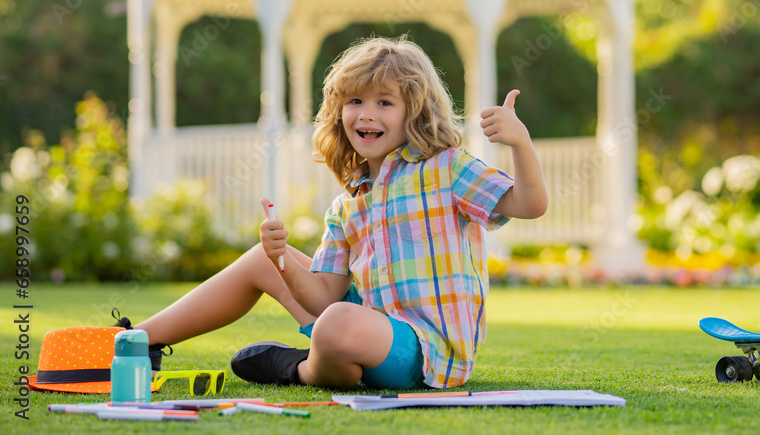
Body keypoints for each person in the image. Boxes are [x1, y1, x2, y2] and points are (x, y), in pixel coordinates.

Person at [133, 36, 548, 390]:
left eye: (385, 102)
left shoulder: (448, 168)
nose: (366, 114)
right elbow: (321, 297)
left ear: (414, 112)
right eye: (355, 101)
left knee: (336, 324)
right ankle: (134, 342)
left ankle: (301, 369)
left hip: (426, 350)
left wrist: (521, 144)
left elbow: (529, 205)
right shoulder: (349, 204)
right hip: (360, 320)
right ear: (339, 112)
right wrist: (280, 260)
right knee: (274, 269)